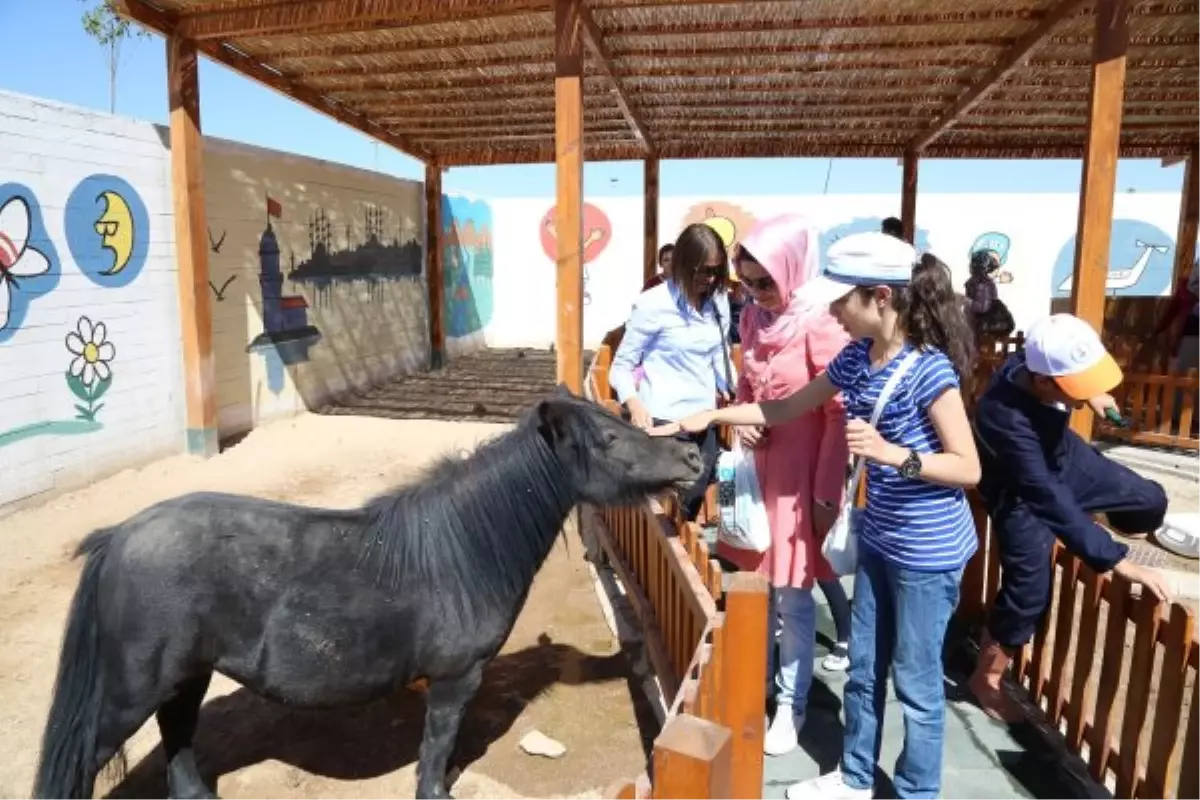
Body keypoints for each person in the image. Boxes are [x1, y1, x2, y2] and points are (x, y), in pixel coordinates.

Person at [654, 232, 981, 800]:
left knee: (917, 685)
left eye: (840, 300)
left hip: (927, 552)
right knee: (863, 670)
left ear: (880, 297)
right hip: (880, 537)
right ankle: (856, 776)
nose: (830, 310)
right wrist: (706, 414)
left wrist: (888, 456)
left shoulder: (930, 371)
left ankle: (915, 791)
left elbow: (967, 468)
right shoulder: (857, 357)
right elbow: (786, 406)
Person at [969, 313, 1172, 722]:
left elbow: (1064, 372)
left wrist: (1091, 394)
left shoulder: (1033, 361)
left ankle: (1084, 522)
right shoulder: (1002, 416)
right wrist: (1116, 559)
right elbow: (1043, 494)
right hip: (1022, 491)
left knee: (1150, 500)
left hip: (1064, 457)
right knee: (1029, 588)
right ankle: (985, 679)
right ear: (1044, 382)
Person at [720, 214, 855, 756]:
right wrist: (739, 417)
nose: (755, 293)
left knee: (795, 601)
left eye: (765, 281)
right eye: (747, 282)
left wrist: (825, 495)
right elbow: (745, 388)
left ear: (792, 270)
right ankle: (757, 686)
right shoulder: (754, 318)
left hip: (801, 481)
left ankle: (789, 705)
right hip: (758, 475)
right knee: (759, 593)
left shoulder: (820, 322)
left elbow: (839, 413)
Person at [612, 223, 735, 521]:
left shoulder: (718, 301)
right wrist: (633, 401)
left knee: (692, 505)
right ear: (682, 264)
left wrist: (735, 390)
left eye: (715, 271)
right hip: (665, 423)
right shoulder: (653, 303)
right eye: (702, 271)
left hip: (704, 420)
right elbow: (621, 365)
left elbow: (719, 353)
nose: (709, 279)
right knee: (665, 515)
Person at [964, 249, 1015, 340]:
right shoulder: (983, 283)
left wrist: (966, 301)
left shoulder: (981, 283)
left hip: (986, 324)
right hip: (984, 323)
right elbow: (982, 306)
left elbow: (982, 306)